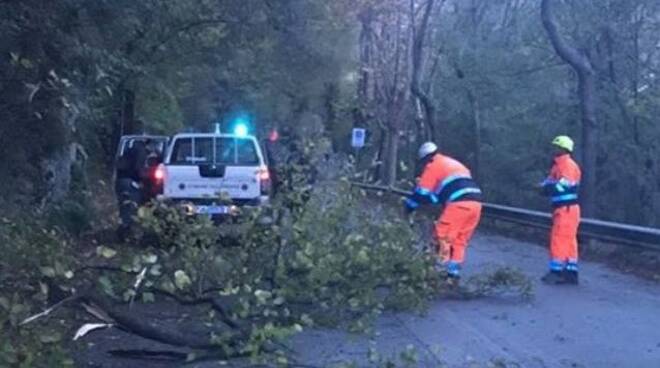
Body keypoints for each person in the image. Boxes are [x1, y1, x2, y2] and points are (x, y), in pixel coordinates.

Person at [404, 142, 483, 281]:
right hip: (476, 203)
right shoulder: (453, 164)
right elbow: (441, 194)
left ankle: (436, 270)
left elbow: (421, 194)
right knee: (459, 240)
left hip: (459, 203)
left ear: (425, 158)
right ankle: (453, 274)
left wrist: (409, 207)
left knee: (441, 237)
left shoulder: (432, 166)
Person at [540, 135, 581, 285]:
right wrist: (545, 186)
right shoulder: (557, 166)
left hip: (567, 209)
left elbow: (563, 185)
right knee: (568, 239)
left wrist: (549, 187)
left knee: (559, 238)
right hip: (563, 208)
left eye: (556, 147)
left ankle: (556, 271)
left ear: (563, 149)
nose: (553, 149)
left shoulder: (568, 165)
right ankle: (570, 271)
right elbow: (548, 183)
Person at [115, 140, 148, 239]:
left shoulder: (127, 151)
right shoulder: (141, 151)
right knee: (132, 208)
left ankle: (123, 231)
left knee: (123, 206)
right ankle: (127, 232)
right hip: (131, 183)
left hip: (121, 182)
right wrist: (143, 180)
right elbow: (139, 168)